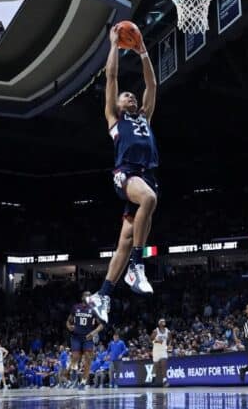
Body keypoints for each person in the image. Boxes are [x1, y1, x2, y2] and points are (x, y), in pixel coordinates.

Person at [87, 23, 159, 324]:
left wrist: (143, 52)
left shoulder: (144, 116)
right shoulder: (114, 118)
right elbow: (113, 76)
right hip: (125, 173)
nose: (129, 96)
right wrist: (114, 45)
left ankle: (102, 294)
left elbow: (152, 86)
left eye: (132, 95)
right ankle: (137, 266)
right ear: (116, 104)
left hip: (146, 173)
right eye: (125, 96)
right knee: (150, 199)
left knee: (124, 241)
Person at [67, 291, 103, 390]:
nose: (88, 297)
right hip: (76, 337)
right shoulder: (75, 307)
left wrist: (93, 333)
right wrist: (69, 326)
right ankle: (74, 371)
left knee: (87, 359)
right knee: (75, 356)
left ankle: (83, 382)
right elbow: (68, 321)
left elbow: (101, 325)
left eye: (89, 295)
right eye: (86, 295)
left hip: (87, 337)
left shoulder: (93, 309)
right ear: (82, 297)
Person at [150, 319, 170, 387]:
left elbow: (170, 339)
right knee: (155, 365)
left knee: (163, 364)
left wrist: (169, 345)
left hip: (163, 350)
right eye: (162, 321)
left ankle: (164, 381)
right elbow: (151, 339)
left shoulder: (168, 331)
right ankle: (153, 377)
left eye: (164, 321)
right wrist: (158, 341)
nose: (163, 322)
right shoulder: (156, 331)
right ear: (159, 323)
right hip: (156, 350)